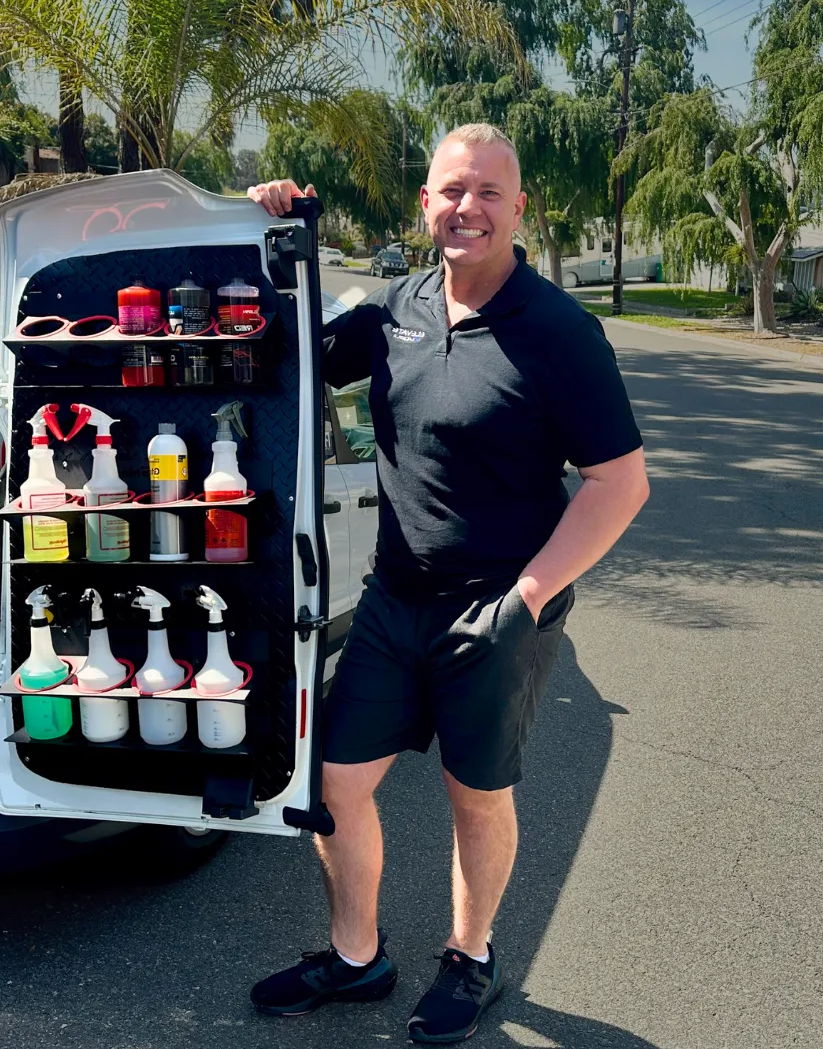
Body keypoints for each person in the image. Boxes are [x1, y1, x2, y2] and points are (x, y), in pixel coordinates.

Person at [246, 123, 649, 1044]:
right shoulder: (396, 310)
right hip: (395, 599)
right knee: (334, 782)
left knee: (476, 794)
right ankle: (358, 959)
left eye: (488, 193)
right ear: (425, 203)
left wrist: (528, 601)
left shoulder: (559, 333)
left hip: (503, 606)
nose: (467, 208)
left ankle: (472, 957)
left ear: (516, 209)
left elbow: (620, 483)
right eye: (451, 191)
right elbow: (283, 350)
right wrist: (276, 244)